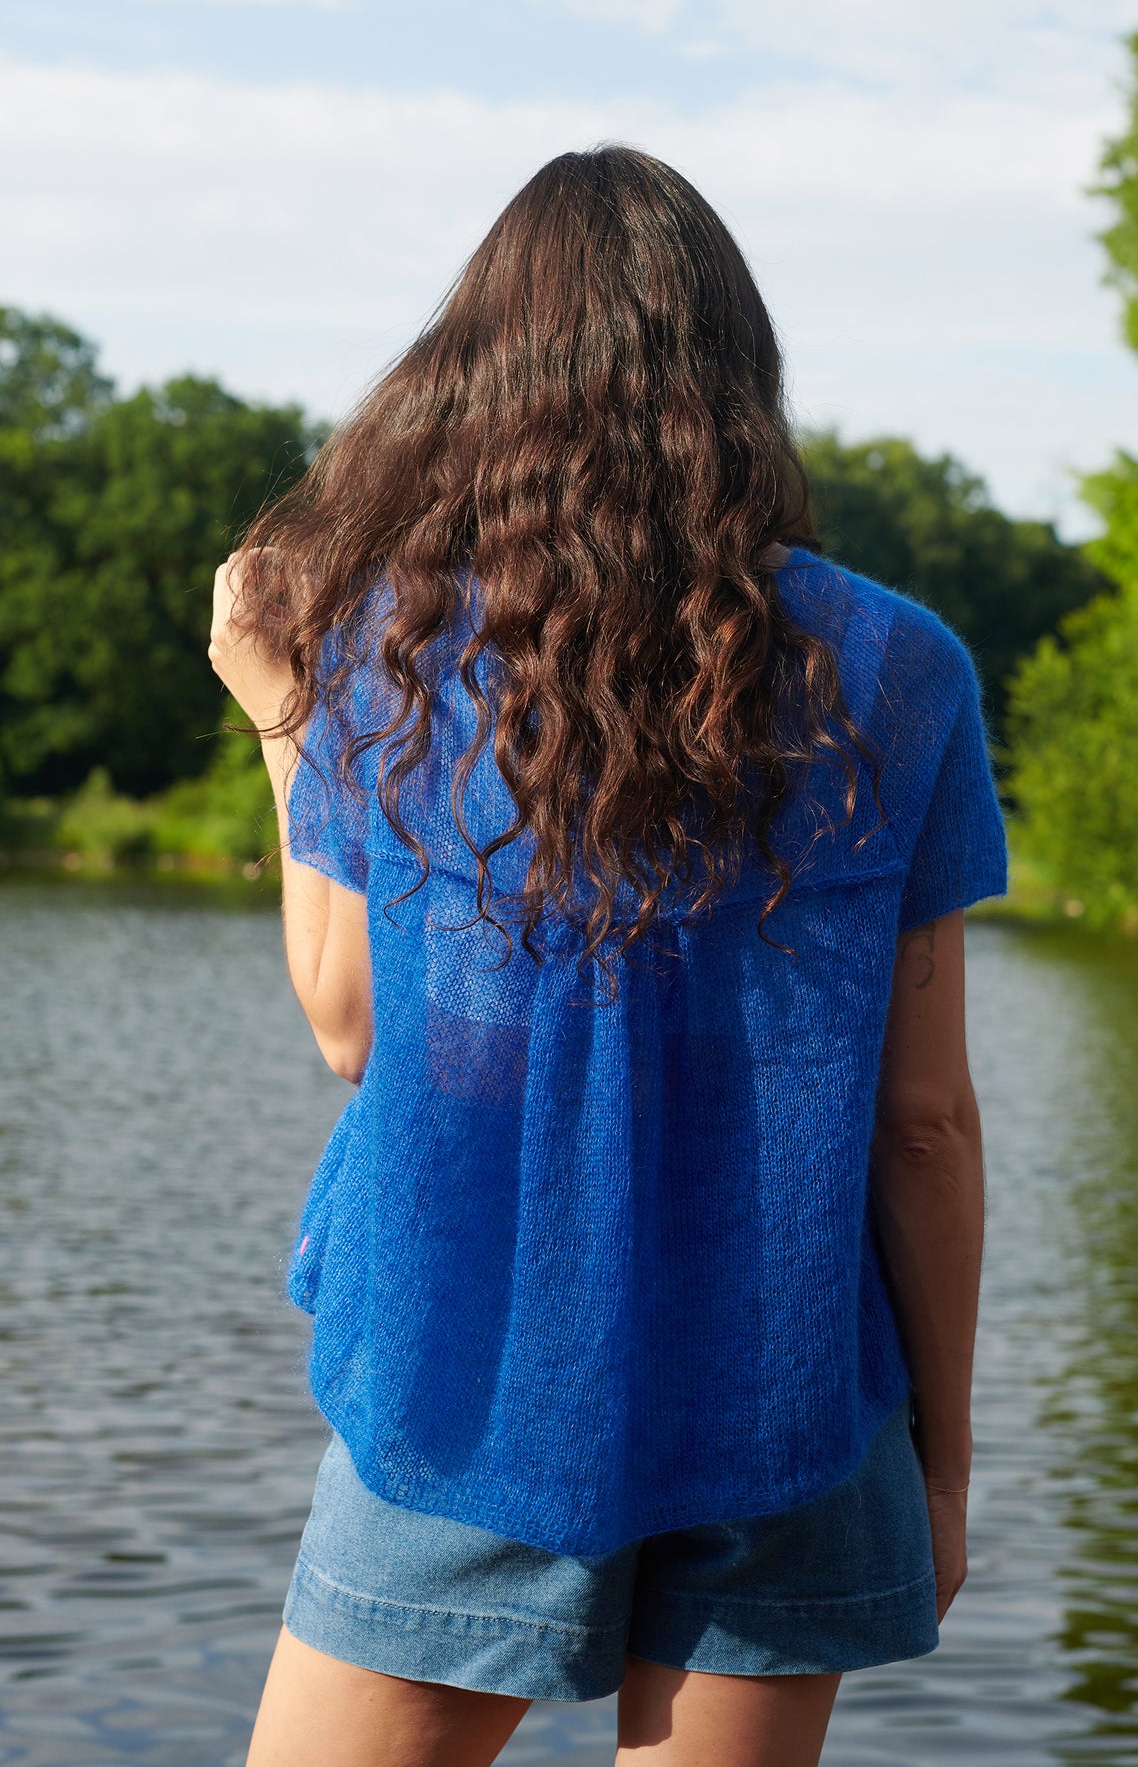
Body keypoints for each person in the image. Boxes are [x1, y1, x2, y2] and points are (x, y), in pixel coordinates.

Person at [210, 143, 1007, 1767]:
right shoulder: (900, 670)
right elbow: (923, 1120)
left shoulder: (396, 658)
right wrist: (939, 1459)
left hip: (467, 1381)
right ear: (738, 381)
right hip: (791, 1399)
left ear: (482, 377)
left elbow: (353, 1021)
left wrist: (279, 715)